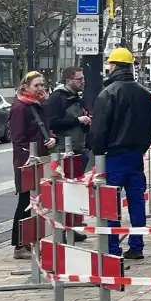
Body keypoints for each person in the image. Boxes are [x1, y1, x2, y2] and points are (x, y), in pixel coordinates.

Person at [89, 47, 151, 260]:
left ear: (113, 66)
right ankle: (136, 245)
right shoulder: (144, 94)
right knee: (137, 201)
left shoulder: (108, 93)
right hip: (135, 155)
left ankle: (112, 249)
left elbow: (99, 129)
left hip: (113, 156)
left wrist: (98, 153)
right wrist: (142, 147)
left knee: (111, 204)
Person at [9, 71, 56, 260]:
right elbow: (18, 139)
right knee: (25, 203)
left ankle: (29, 242)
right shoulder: (21, 108)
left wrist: (52, 138)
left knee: (33, 203)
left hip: (39, 158)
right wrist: (30, 157)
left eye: (42, 85)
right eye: (36, 85)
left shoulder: (37, 106)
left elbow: (45, 129)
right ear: (25, 87)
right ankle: (20, 244)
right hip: (27, 163)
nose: (40, 89)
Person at [44, 66, 90, 243]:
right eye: (79, 79)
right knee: (64, 191)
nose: (82, 82)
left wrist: (85, 121)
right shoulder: (57, 98)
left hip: (77, 147)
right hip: (64, 150)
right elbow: (54, 122)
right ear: (68, 81)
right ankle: (62, 230)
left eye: (82, 78)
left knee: (75, 191)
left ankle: (73, 227)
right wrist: (78, 120)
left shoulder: (76, 97)